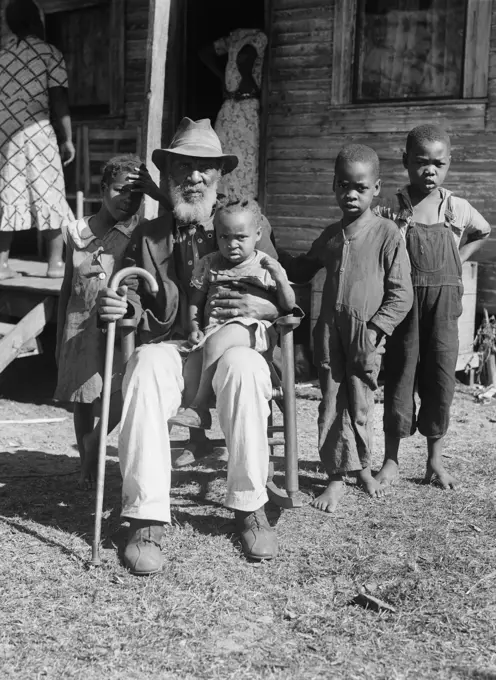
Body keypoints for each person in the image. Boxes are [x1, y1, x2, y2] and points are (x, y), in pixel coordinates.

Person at [98, 118, 289, 575]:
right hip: (175, 350)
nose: (194, 177)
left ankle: (249, 507)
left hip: (231, 349)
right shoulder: (148, 237)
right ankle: (145, 518)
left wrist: (265, 310)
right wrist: (117, 304)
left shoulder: (245, 226)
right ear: (169, 175)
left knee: (244, 367)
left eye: (205, 168)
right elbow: (134, 303)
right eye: (183, 167)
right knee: (143, 364)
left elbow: (278, 295)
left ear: (220, 175)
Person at [280, 144, 413, 513]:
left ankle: (364, 470)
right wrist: (270, 245)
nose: (350, 193)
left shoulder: (387, 234)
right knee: (331, 403)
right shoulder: (330, 236)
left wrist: (376, 330)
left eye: (360, 186)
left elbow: (402, 294)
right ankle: (335, 478)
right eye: (343, 185)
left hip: (365, 337)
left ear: (376, 188)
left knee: (361, 403)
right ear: (333, 186)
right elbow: (302, 270)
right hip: (328, 333)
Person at [374, 124, 491, 491]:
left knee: (440, 380)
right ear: (405, 161)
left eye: (438, 164)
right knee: (399, 376)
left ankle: (434, 461)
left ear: (449, 164)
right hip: (404, 307)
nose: (430, 170)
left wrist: (457, 257)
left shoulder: (457, 208)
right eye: (422, 162)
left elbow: (484, 231)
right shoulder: (392, 208)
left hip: (443, 310)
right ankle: (391, 460)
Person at [55, 155, 153, 488]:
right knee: (83, 398)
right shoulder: (75, 231)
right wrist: (58, 337)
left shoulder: (140, 232)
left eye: (137, 194)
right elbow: (68, 287)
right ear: (102, 189)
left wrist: (154, 193)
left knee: (121, 392)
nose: (129, 199)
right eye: (121, 190)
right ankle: (88, 466)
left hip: (118, 327)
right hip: (78, 324)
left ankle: (96, 442)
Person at [173, 198, 295, 429]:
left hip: (253, 330)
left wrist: (279, 278)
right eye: (224, 237)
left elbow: (288, 305)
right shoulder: (210, 264)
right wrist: (195, 328)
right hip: (213, 333)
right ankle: (197, 436)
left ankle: (199, 406)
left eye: (241, 237)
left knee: (221, 339)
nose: (232, 244)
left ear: (258, 234)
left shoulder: (265, 265)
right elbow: (196, 302)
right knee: (193, 364)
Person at [0, 0, 75, 279]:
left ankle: (1, 264)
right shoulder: (49, 53)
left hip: (5, 134)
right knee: (49, 191)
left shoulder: (2, 56)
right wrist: (67, 138)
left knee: (8, 191)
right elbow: (58, 99)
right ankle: (55, 264)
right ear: (36, 21)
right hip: (37, 131)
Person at [200, 28, 268, 200]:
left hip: (243, 106)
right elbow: (205, 52)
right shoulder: (235, 37)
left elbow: (245, 57)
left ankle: (242, 204)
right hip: (236, 105)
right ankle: (225, 202)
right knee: (227, 157)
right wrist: (223, 77)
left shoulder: (256, 37)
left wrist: (242, 78)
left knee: (242, 158)